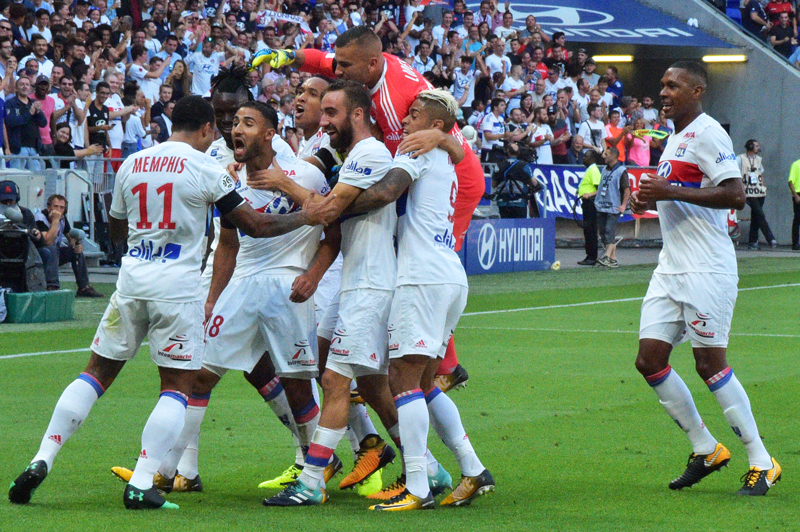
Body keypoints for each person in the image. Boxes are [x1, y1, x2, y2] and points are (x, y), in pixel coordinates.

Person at [8, 95, 336, 510]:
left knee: (95, 374)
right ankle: (146, 479)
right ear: (203, 129)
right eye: (217, 128)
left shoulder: (131, 164)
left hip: (131, 283)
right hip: (177, 290)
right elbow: (252, 225)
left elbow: (115, 231)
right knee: (178, 386)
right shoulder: (206, 169)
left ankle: (43, 457)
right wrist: (306, 216)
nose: (221, 134)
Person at [254, 23, 485, 424]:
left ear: (373, 63)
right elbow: (325, 59)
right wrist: (288, 56)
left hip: (459, 182)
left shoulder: (399, 103)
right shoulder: (360, 69)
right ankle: (428, 365)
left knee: (426, 258)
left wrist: (323, 204)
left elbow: (396, 176)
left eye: (344, 68)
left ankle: (442, 360)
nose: (336, 73)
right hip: (401, 192)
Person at [320, 88, 493, 510]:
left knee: (402, 380)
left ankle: (417, 486)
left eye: (414, 116)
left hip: (421, 277)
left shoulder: (415, 151)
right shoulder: (446, 157)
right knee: (427, 385)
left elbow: (383, 194)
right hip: (449, 274)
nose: (406, 124)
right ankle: (472, 470)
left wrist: (328, 207)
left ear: (434, 126)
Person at [630, 61, 781, 496]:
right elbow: (676, 192)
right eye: (661, 84)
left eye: (672, 85)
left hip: (706, 268)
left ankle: (762, 460)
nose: (663, 91)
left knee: (709, 363)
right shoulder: (675, 138)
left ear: (696, 91)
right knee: (649, 360)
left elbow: (735, 193)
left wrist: (669, 191)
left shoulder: (709, 132)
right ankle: (705, 448)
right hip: (671, 266)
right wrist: (653, 194)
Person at [263, 80, 403, 508]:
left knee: (333, 380)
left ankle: (311, 481)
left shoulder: (371, 153)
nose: (324, 123)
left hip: (370, 283)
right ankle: (428, 467)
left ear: (357, 114)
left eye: (331, 113)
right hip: (353, 281)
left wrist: (283, 184)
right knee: (360, 380)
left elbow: (326, 211)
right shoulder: (352, 155)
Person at [33, 193, 103, 296]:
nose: (58, 210)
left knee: (74, 251)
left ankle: (84, 287)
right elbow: (48, 241)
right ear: (49, 207)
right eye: (55, 206)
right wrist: (55, 221)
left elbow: (70, 237)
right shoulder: (40, 218)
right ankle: (52, 286)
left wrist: (76, 245)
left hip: (54, 255)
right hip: (40, 254)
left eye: (61, 208)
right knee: (51, 248)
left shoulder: (63, 219)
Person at [737, 139, 777, 249]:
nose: (758, 147)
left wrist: (763, 186)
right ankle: (771, 239)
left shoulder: (758, 159)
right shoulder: (740, 159)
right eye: (756, 146)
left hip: (759, 191)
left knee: (756, 216)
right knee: (760, 214)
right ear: (750, 147)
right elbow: (735, 174)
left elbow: (760, 174)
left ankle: (752, 242)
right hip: (748, 191)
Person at [594, 146, 629, 268]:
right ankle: (613, 259)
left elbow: (626, 189)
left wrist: (623, 205)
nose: (603, 156)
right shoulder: (604, 169)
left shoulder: (621, 171)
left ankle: (606, 256)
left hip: (614, 206)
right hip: (602, 205)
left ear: (614, 156)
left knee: (609, 231)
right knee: (603, 233)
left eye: (606, 154)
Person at [5, 76, 46, 171]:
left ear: (30, 88)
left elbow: (43, 123)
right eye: (21, 84)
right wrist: (29, 113)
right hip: (18, 148)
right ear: (16, 88)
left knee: (36, 178)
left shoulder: (34, 102)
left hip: (34, 148)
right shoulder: (10, 103)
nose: (25, 86)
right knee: (18, 177)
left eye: (27, 84)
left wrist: (39, 112)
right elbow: (11, 122)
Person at [493, 142, 541, 218]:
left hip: (503, 202)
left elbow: (493, 185)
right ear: (518, 152)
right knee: (520, 227)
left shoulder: (498, 166)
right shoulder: (524, 166)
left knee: (505, 226)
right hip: (520, 202)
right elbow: (534, 183)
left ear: (506, 152)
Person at [576, 150, 602, 266]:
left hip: (590, 203)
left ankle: (592, 256)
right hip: (586, 203)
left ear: (592, 158)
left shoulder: (593, 170)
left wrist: (589, 194)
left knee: (590, 230)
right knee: (587, 230)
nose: (583, 158)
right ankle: (589, 255)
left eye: (586, 156)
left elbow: (599, 189)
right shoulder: (590, 170)